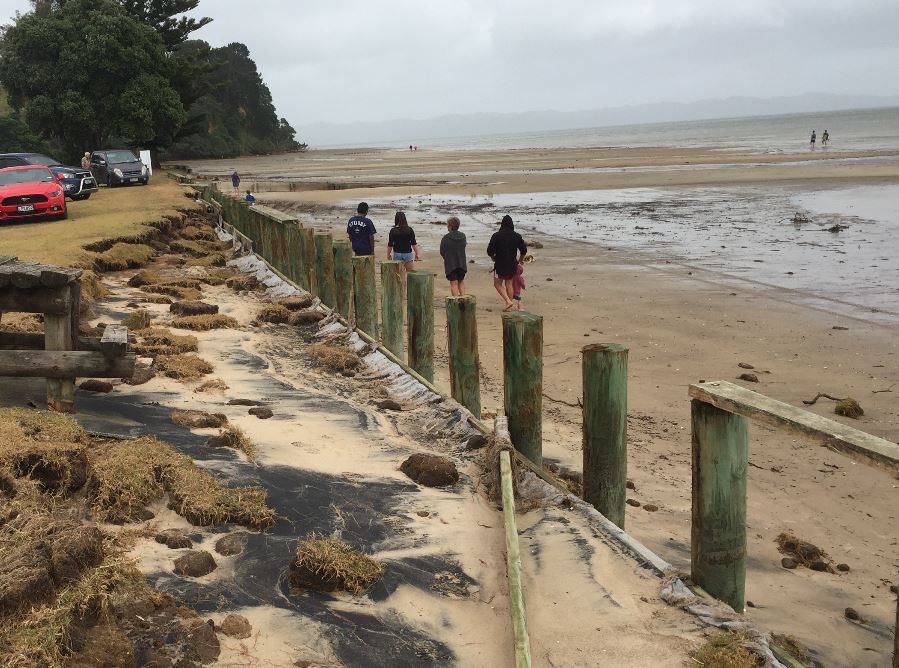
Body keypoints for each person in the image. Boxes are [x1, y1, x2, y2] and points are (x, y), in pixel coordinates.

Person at [487, 215, 527, 311]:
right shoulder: (516, 236)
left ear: (502, 224)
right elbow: (524, 250)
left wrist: (493, 258)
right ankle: (508, 307)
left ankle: (508, 301)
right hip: (512, 264)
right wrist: (520, 260)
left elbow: (490, 251)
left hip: (500, 264)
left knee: (497, 284)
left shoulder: (496, 236)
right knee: (509, 284)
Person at [440, 216, 467, 296]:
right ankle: (463, 298)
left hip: (451, 264)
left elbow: (442, 251)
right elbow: (464, 246)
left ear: (450, 226)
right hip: (462, 263)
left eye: (448, 225)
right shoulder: (463, 236)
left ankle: (456, 300)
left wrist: (447, 257)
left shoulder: (446, 238)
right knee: (461, 281)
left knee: (454, 283)